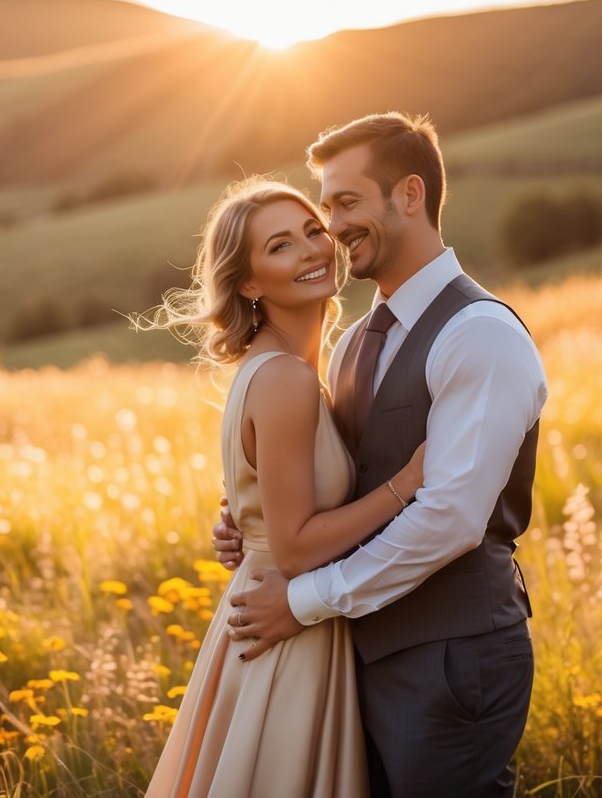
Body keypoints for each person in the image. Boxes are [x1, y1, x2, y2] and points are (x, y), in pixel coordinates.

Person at [213, 112, 548, 797]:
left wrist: (303, 598)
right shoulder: (357, 338)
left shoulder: (478, 335)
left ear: (410, 196)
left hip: (450, 660)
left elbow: (449, 520)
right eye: (323, 206)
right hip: (354, 655)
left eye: (343, 203)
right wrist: (252, 525)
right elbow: (335, 483)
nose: (330, 227)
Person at [141, 177, 426, 797]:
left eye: (312, 231)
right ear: (248, 283)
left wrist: (242, 525)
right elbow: (294, 548)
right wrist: (406, 484)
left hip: (281, 610)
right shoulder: (284, 381)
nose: (311, 251)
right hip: (284, 630)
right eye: (280, 246)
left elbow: (269, 514)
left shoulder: (286, 372)